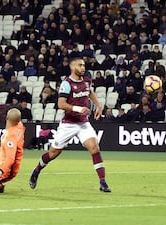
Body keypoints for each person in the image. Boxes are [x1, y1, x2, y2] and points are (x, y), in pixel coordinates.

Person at [29, 58, 111, 193]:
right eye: (80, 65)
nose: (83, 67)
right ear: (73, 67)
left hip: (83, 123)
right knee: (53, 153)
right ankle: (37, 170)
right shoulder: (67, 84)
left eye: (84, 65)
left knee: (95, 148)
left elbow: (89, 92)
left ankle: (103, 182)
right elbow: (61, 104)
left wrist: (98, 105)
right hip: (69, 124)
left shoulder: (86, 80)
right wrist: (78, 109)